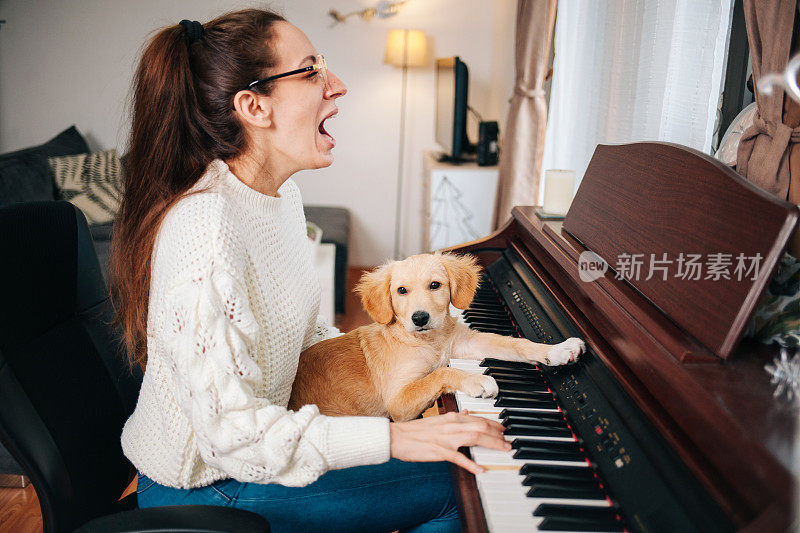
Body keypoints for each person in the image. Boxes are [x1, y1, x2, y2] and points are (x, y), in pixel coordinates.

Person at [109, 8, 510, 533]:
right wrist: (392, 438)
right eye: (312, 69)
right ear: (254, 106)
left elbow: (306, 339)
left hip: (266, 447)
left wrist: (395, 368)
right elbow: (230, 434)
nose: (337, 85)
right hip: (212, 482)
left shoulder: (279, 196)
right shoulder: (204, 229)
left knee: (453, 462)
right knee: (463, 486)